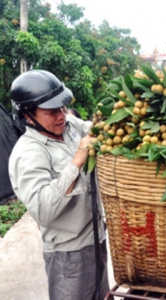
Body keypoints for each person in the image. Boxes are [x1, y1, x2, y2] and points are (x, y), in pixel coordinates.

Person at [8, 70, 111, 300]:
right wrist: (77, 160)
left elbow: (94, 129)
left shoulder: (68, 126)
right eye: (51, 111)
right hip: (68, 257)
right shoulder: (28, 153)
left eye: (62, 107)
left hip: (97, 241)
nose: (61, 115)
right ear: (27, 116)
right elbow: (43, 210)